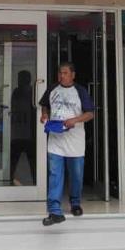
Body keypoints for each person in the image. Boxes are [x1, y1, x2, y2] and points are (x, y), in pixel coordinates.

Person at [39, 62, 95, 226]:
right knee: (55, 175)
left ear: (73, 75)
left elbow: (90, 114)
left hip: (75, 141)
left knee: (76, 175)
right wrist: (44, 115)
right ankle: (55, 211)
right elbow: (45, 105)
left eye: (64, 73)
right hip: (56, 140)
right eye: (59, 73)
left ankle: (75, 203)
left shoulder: (80, 91)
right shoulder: (52, 89)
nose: (61, 76)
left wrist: (74, 120)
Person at [10, 70, 36, 185]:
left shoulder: (32, 92)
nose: (20, 81)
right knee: (13, 160)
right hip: (18, 132)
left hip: (28, 133)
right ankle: (9, 179)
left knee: (32, 161)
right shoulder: (16, 92)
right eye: (19, 78)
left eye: (22, 78)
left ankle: (37, 183)